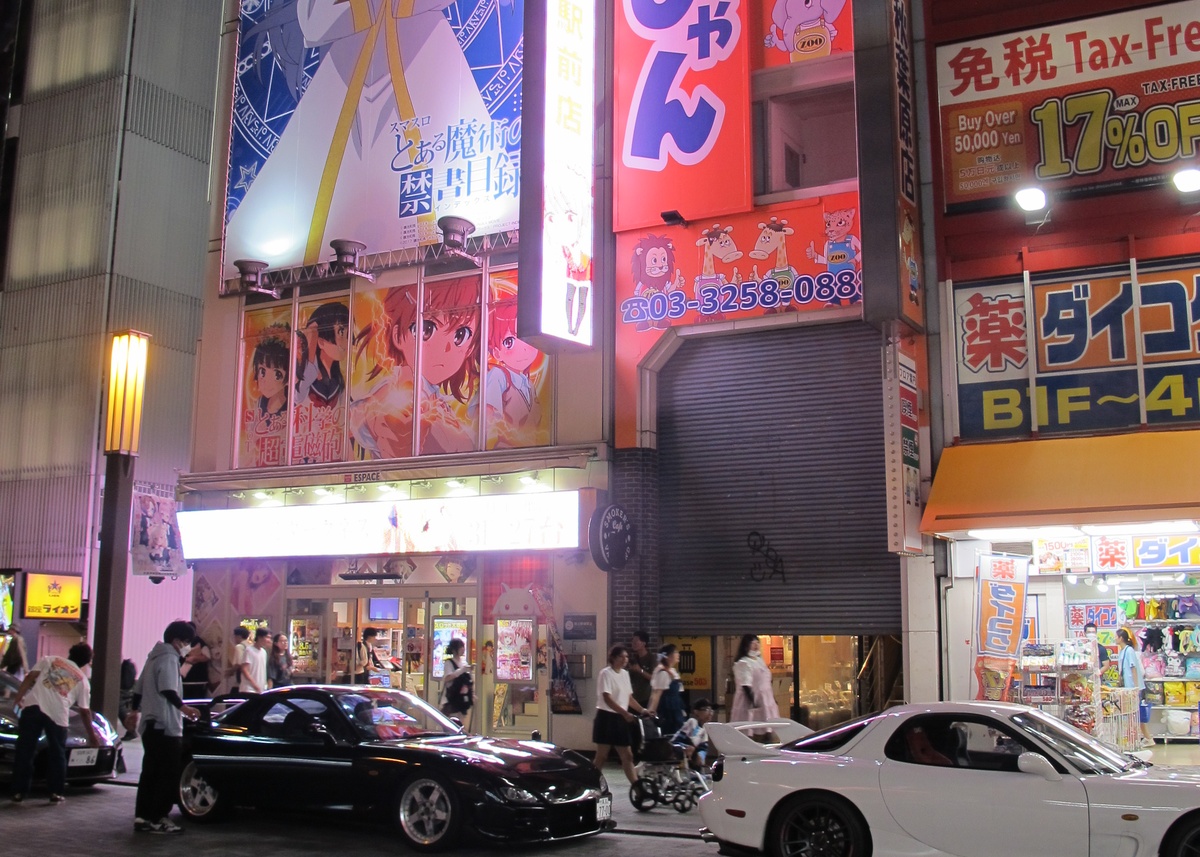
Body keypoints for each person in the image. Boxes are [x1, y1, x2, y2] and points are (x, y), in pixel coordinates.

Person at [125, 620, 201, 834]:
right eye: (187, 642)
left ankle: (142, 816)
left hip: (150, 725)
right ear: (177, 641)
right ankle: (159, 817)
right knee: (167, 774)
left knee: (150, 773)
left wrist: (134, 711)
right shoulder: (169, 657)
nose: (188, 647)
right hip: (165, 725)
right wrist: (185, 709)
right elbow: (168, 689)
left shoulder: (153, 656)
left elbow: (138, 689)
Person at [10, 642, 98, 804]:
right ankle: (55, 792)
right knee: (57, 754)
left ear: (70, 652)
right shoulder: (82, 680)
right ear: (86, 662)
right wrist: (92, 735)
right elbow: (85, 712)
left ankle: (18, 792)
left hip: (33, 707)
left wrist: (18, 698)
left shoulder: (49, 660)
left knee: (25, 751)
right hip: (58, 715)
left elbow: (29, 678)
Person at [593, 645, 653, 785]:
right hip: (606, 718)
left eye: (626, 657)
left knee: (627, 755)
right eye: (621, 656)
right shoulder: (605, 673)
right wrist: (625, 713)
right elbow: (607, 698)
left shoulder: (625, 674)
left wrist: (642, 710)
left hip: (620, 719)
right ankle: (591, 781)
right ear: (613, 658)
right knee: (602, 756)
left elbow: (629, 698)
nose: (625, 659)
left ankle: (636, 786)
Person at [729, 634, 780, 738]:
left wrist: (772, 698)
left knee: (769, 729)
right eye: (753, 643)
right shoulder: (743, 663)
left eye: (757, 642)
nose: (756, 645)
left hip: (765, 699)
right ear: (746, 645)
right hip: (751, 700)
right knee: (750, 729)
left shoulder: (760, 660)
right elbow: (745, 685)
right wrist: (753, 702)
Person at [1116, 627, 1154, 748]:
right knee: (1133, 714)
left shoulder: (1129, 651)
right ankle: (1144, 738)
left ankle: (1138, 739)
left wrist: (1136, 687)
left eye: (1116, 637)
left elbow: (1133, 669)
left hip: (1133, 688)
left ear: (1121, 638)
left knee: (1135, 715)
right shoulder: (1122, 651)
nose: (1114, 639)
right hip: (1128, 687)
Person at [648, 643, 688, 736]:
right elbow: (656, 694)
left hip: (675, 707)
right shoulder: (663, 673)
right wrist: (651, 711)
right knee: (669, 733)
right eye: (675, 652)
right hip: (667, 709)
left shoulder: (672, 671)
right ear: (668, 656)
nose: (678, 654)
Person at [672, 697, 715, 771]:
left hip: (691, 759)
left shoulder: (705, 729)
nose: (710, 713)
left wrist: (700, 756)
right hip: (677, 752)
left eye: (711, 710)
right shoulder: (692, 722)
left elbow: (703, 748)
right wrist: (689, 748)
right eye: (706, 709)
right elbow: (678, 741)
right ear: (696, 712)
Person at [439, 639, 473, 727]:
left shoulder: (464, 662)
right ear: (454, 650)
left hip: (463, 700)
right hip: (452, 699)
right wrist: (461, 671)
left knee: (462, 725)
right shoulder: (449, 663)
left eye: (463, 647)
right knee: (452, 725)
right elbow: (447, 678)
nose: (463, 649)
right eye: (460, 647)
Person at [180, 634, 213, 700]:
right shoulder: (183, 644)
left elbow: (207, 656)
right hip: (184, 681)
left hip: (198, 681)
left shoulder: (198, 642)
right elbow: (181, 653)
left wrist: (194, 658)